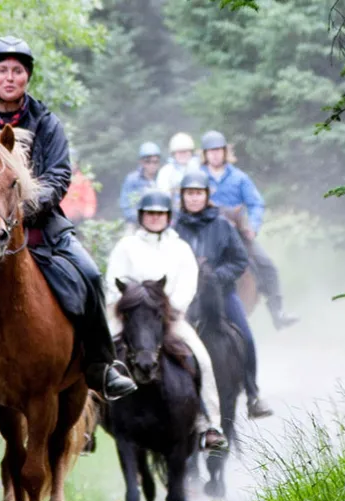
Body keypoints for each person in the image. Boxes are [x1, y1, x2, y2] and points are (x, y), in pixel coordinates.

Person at [0, 36, 138, 400]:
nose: (9, 77)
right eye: (2, 70)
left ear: (27, 77)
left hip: (41, 224)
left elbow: (58, 176)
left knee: (91, 276)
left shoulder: (46, 123)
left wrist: (20, 208)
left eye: (17, 71)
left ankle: (100, 368)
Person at [104, 191, 227, 450]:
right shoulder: (126, 246)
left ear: (168, 217)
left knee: (202, 358)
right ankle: (87, 421)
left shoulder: (180, 248)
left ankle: (210, 425)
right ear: (142, 216)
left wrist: (171, 309)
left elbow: (187, 284)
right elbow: (113, 280)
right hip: (130, 317)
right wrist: (129, 307)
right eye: (150, 214)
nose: (155, 218)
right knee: (97, 353)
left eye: (160, 214)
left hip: (169, 318)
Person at [173, 169, 271, 418]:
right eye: (189, 194)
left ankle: (252, 394)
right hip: (184, 297)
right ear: (182, 197)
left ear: (207, 196)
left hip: (221, 295)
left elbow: (239, 260)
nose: (194, 199)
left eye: (198, 193)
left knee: (245, 337)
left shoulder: (222, 225)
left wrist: (216, 277)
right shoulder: (174, 228)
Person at [199, 130, 299, 330]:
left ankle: (277, 312)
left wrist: (252, 227)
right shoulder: (198, 177)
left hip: (236, 233)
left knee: (266, 264)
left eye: (219, 150)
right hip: (206, 233)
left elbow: (256, 203)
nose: (215, 155)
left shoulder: (239, 178)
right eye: (211, 151)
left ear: (225, 152)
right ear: (205, 154)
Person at [118, 142, 164, 225]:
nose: (152, 165)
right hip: (137, 221)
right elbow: (126, 204)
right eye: (148, 162)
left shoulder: (163, 177)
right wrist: (140, 219)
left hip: (160, 219)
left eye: (155, 162)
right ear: (141, 162)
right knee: (128, 236)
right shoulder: (132, 179)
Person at [58, 147, 98, 220]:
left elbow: (90, 200)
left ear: (77, 164)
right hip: (60, 219)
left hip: (78, 218)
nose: (71, 165)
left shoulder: (83, 180)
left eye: (73, 163)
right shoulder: (57, 179)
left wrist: (88, 214)